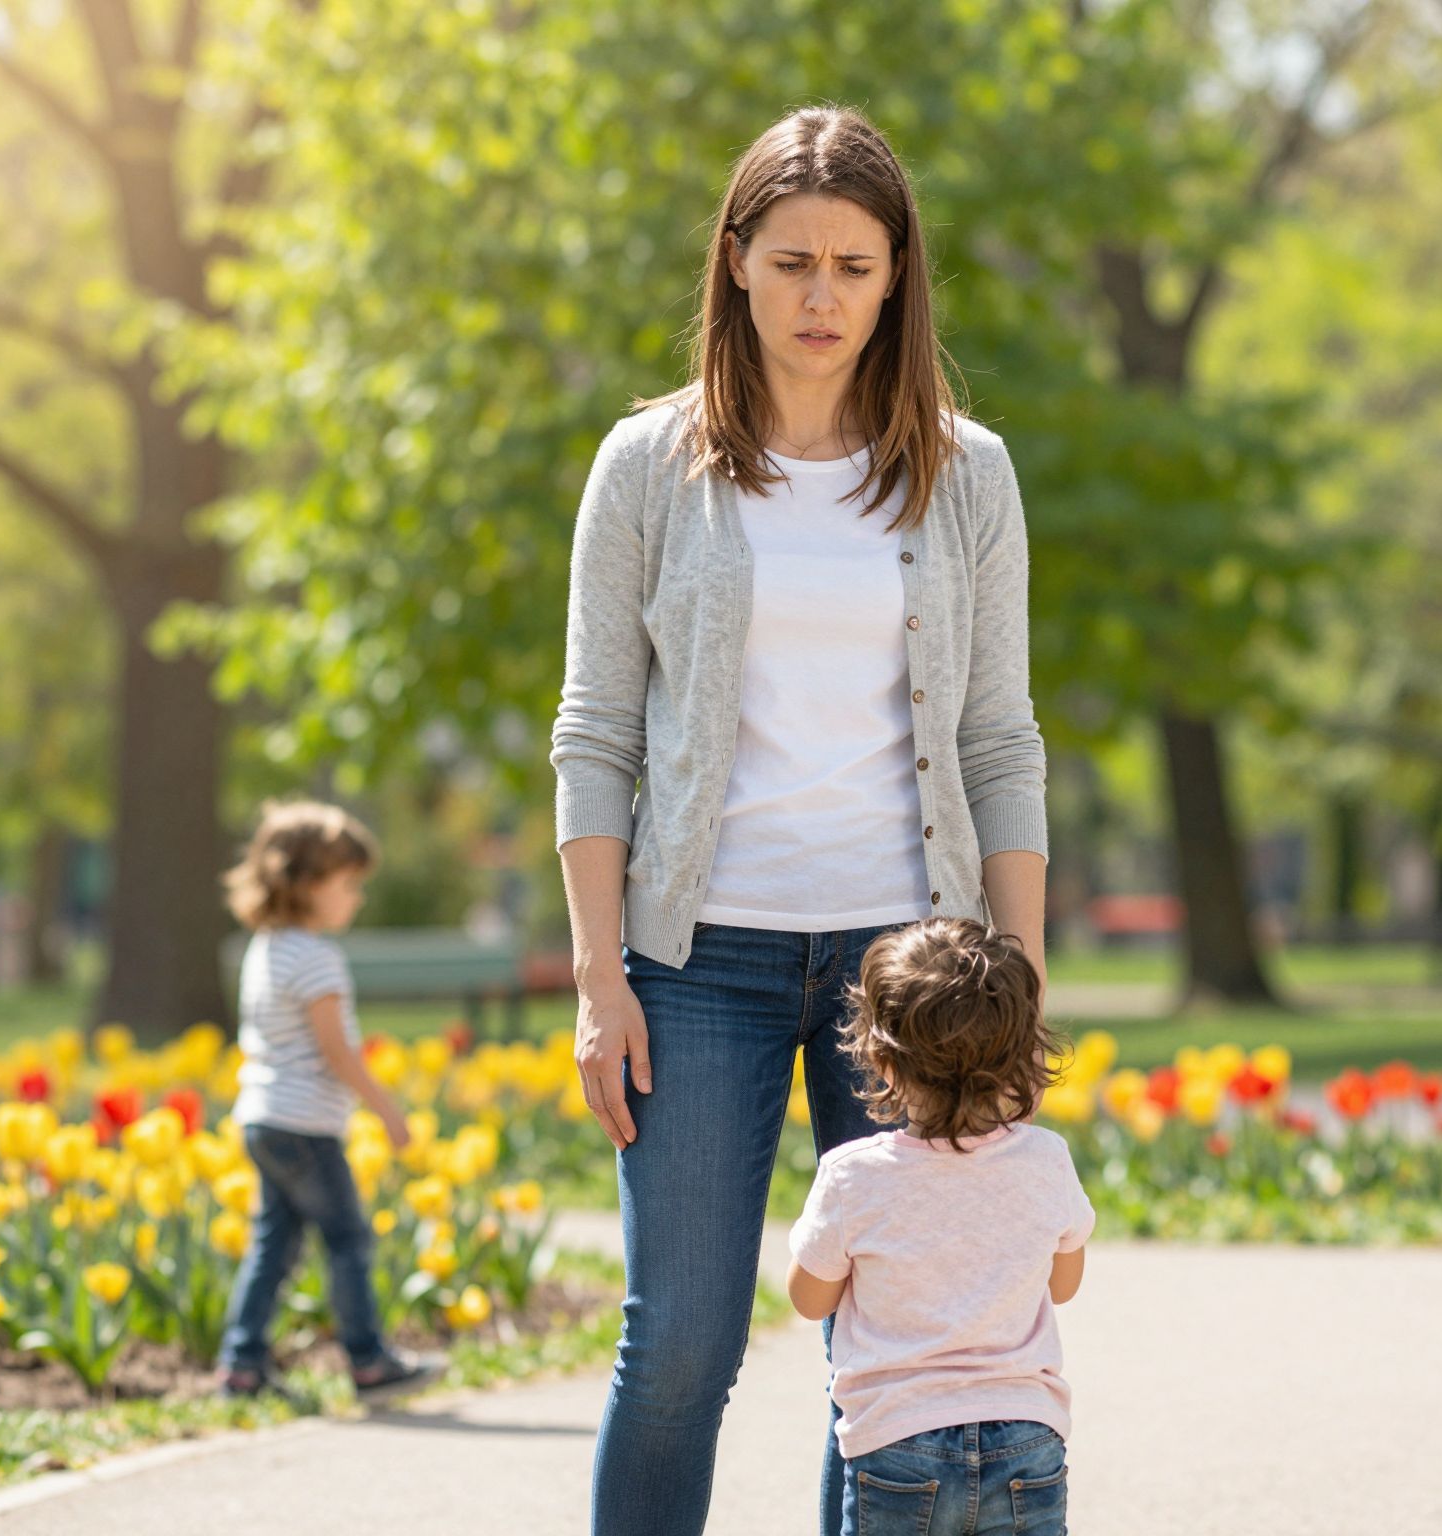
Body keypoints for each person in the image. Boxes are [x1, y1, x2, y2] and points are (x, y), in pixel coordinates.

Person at [551, 104, 1050, 1536]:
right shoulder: (646, 469)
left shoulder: (969, 474)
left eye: (853, 264)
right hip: (697, 964)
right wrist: (602, 982)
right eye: (792, 263)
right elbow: (595, 737)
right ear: (736, 265)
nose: (821, 296)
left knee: (891, 1357)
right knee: (682, 1349)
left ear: (897, 278)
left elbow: (1000, 740)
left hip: (915, 968)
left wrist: (1011, 984)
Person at [786, 918, 1093, 1536]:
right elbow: (1063, 1285)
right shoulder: (1046, 1159)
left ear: (880, 1058)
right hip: (1026, 1436)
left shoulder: (854, 1176)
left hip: (899, 1443)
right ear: (1016, 1054)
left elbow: (807, 1296)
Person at [216, 799, 443, 1399]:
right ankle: (369, 1362)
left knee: (273, 1247)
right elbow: (338, 1053)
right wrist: (387, 1110)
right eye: (348, 885)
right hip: (306, 1129)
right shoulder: (317, 959)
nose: (357, 898)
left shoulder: (265, 948)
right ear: (308, 884)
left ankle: (241, 1366)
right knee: (347, 1240)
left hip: (262, 1119)